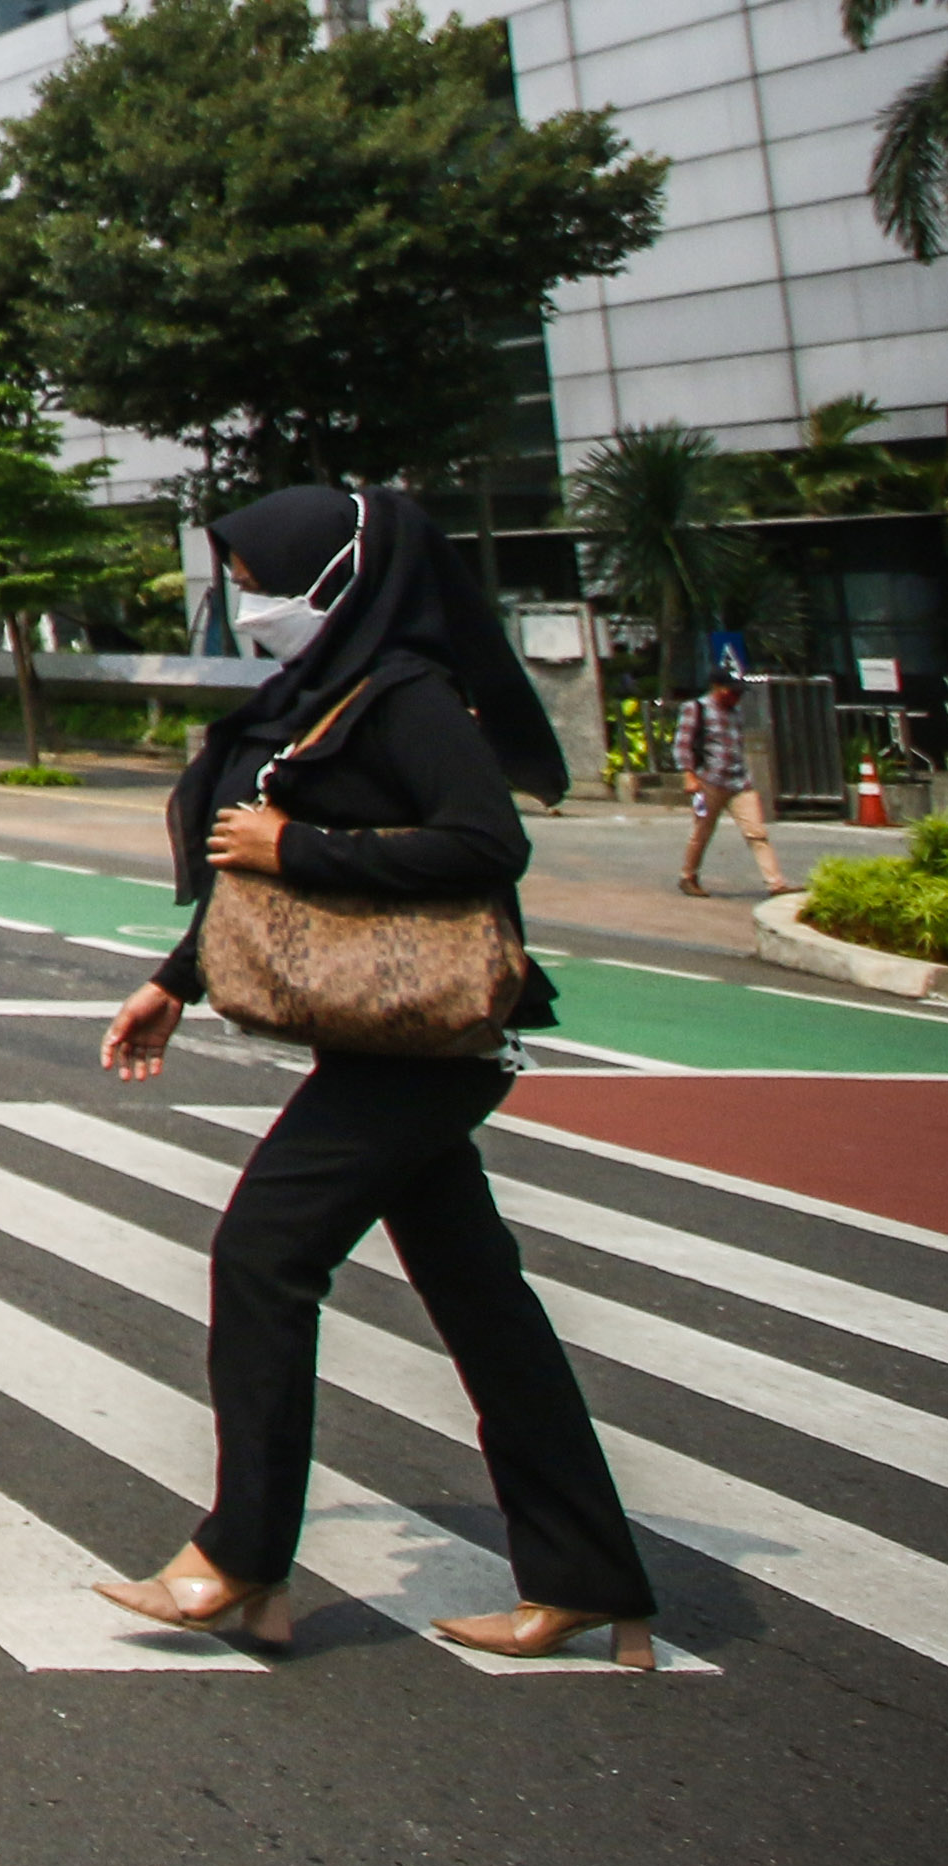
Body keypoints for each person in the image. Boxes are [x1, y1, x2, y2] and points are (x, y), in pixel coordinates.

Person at [94, 485, 657, 1665]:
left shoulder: (403, 696)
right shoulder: (320, 695)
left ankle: (242, 1560)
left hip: (435, 1042)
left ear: (338, 577)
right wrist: (176, 980)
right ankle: (590, 1579)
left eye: (257, 578)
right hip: (383, 1039)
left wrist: (303, 842)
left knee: (263, 1252)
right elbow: (252, 879)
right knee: (483, 1306)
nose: (244, 601)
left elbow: (487, 842)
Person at [671, 659, 787, 901]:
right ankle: (688, 876)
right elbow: (682, 745)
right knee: (702, 831)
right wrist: (689, 775)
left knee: (757, 832)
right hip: (709, 781)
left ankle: (775, 883)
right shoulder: (697, 708)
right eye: (731, 691)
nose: (736, 697)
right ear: (716, 687)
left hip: (739, 782)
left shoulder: (735, 712)